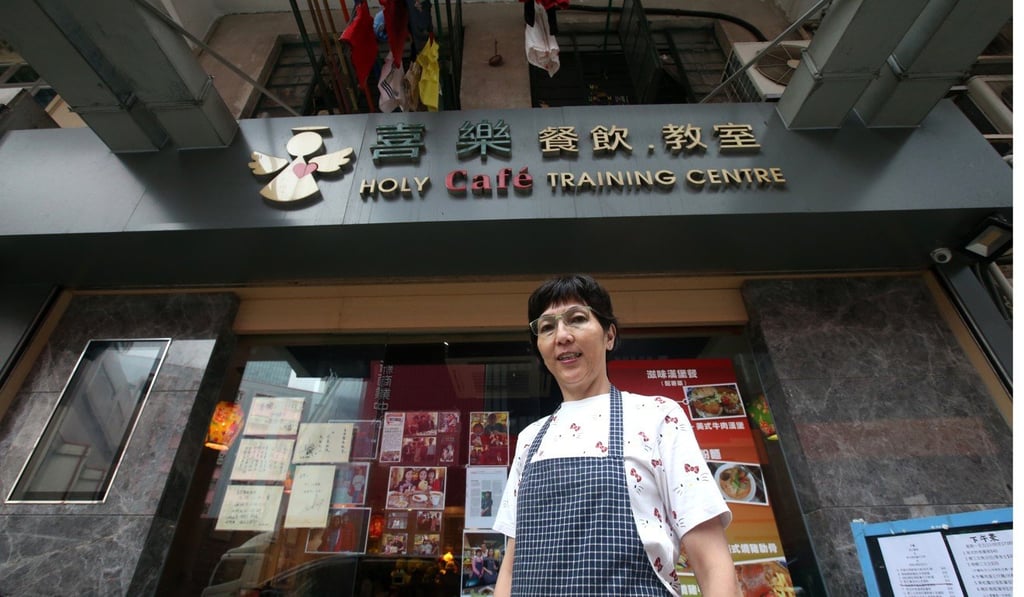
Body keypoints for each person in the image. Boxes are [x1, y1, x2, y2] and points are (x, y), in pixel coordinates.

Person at [492, 274, 741, 597]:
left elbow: (713, 563)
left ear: (609, 335)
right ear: (540, 347)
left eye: (577, 319)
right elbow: (511, 569)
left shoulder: (658, 417)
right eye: (547, 327)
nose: (562, 336)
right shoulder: (529, 439)